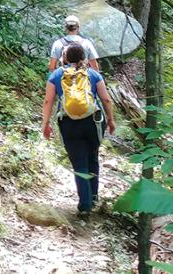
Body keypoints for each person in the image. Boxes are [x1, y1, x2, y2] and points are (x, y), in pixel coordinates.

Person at [41, 43, 117, 215]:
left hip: (69, 124)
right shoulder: (93, 74)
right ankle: (94, 196)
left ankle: (85, 205)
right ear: (84, 57)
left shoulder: (56, 75)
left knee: (79, 164)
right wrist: (111, 120)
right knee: (93, 157)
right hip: (94, 122)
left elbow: (48, 101)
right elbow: (106, 100)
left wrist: (45, 124)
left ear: (64, 58)